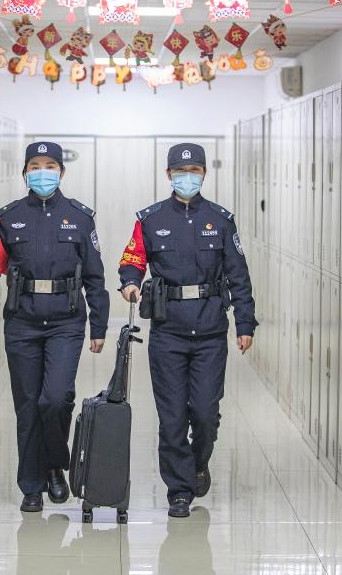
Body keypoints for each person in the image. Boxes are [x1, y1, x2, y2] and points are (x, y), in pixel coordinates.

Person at [0, 141, 109, 512]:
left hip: (66, 322)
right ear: (25, 172)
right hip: (23, 323)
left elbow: (95, 276)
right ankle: (32, 486)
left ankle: (55, 464)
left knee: (56, 398)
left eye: (50, 165)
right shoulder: (9, 218)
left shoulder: (80, 218)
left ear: (61, 171)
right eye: (35, 165)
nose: (43, 172)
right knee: (27, 406)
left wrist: (99, 326)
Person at [118, 143, 257, 518]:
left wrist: (245, 322)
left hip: (210, 331)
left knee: (206, 413)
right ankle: (179, 489)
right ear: (168, 175)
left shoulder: (220, 220)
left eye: (195, 171)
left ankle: (199, 461)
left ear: (204, 174)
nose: (188, 177)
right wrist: (130, 282)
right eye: (181, 171)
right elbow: (132, 260)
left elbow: (239, 275)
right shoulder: (150, 220)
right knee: (173, 416)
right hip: (168, 332)